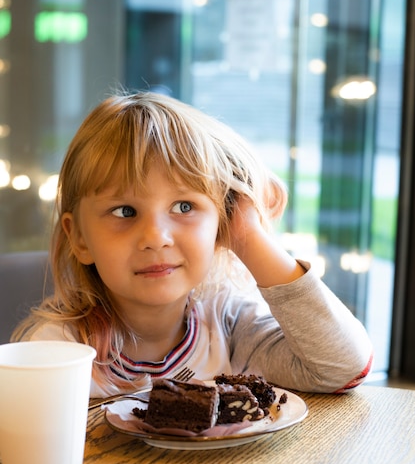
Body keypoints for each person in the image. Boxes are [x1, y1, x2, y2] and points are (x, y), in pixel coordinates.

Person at [12, 91, 373, 398]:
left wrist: (248, 237)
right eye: (124, 211)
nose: (156, 237)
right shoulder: (57, 350)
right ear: (79, 238)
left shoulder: (229, 326)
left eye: (184, 207)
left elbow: (342, 367)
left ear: (222, 221)